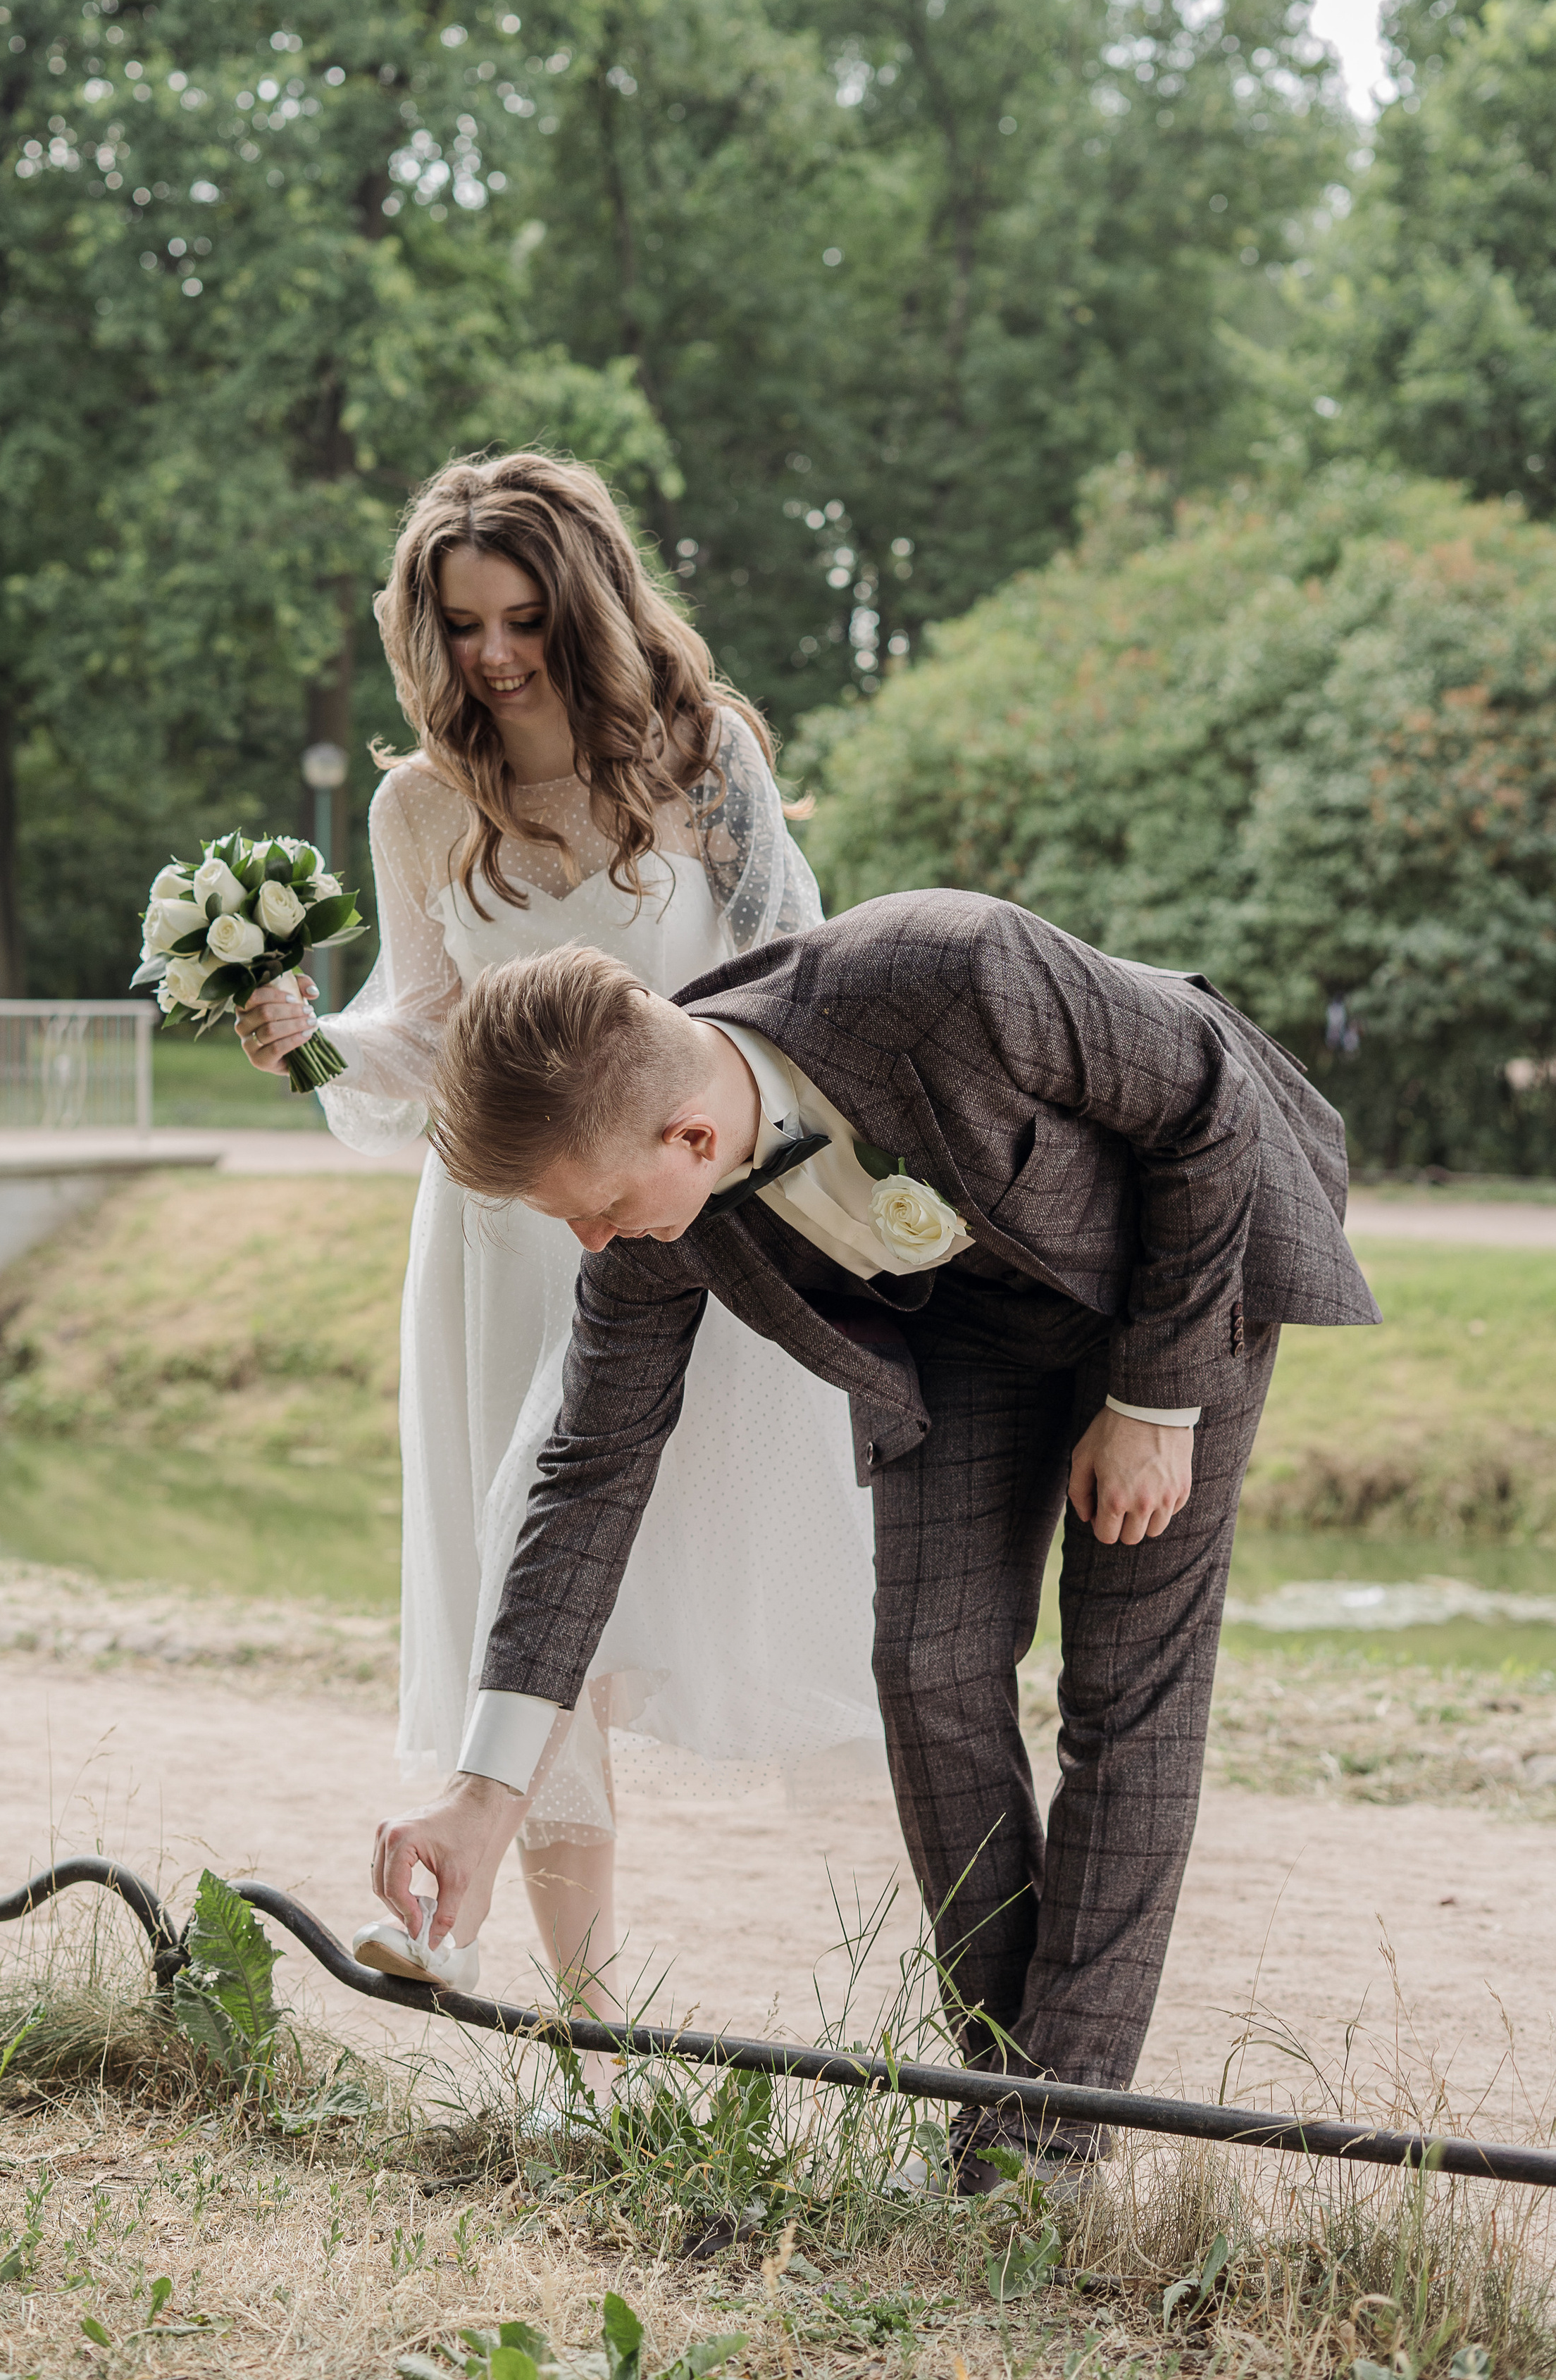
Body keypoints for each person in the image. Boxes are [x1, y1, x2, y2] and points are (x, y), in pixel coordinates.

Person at [368, 904, 1381, 2187]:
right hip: (970, 1329)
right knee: (928, 1668)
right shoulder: (658, 1222)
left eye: (602, 1208)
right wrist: (483, 1795)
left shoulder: (950, 973)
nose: (593, 1242)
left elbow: (1209, 1100)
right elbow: (589, 1476)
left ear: (690, 1135)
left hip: (1184, 1272)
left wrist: (1157, 1401)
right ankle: (1006, 2100)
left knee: (1124, 1693)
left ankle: (1034, 2154)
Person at [236, 450, 884, 2023]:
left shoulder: (704, 759)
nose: (493, 655)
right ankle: (573, 2014)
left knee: (701, 1568)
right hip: (497, 1246)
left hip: (679, 1221)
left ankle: (910, 2006)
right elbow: (430, 1045)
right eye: (459, 624)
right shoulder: (418, 806)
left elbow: (784, 984)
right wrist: (313, 1043)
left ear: (584, 604)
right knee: (527, 1582)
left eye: (522, 616)